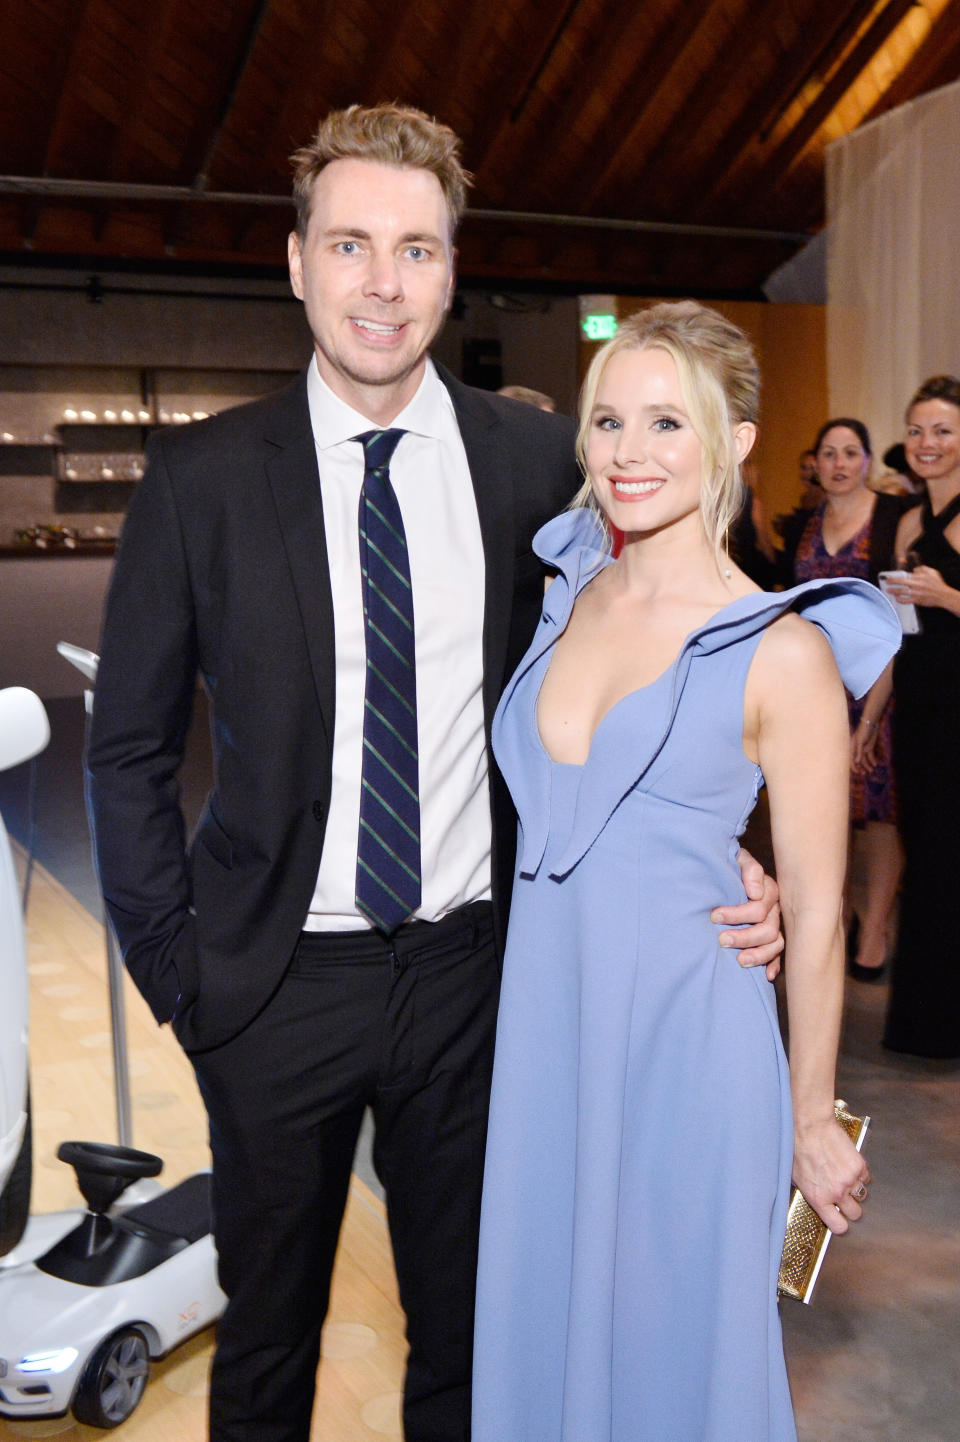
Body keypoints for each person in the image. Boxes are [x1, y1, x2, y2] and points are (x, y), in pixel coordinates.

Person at [85, 105, 783, 1442]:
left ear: (454, 269)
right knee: (269, 1347)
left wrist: (725, 852)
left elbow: (644, 669)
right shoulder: (201, 478)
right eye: (350, 244)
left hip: (479, 981)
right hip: (272, 982)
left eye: (416, 249)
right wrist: (183, 973)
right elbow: (126, 746)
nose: (383, 283)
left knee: (470, 1338)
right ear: (297, 263)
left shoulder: (538, 467)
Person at [472, 302, 899, 1441]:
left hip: (687, 1053)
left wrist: (814, 1115)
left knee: (674, 1365)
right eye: (609, 419)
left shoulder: (784, 646)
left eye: (668, 421)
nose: (629, 451)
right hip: (545, 1038)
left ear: (737, 439)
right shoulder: (568, 588)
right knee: (544, 1330)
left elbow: (812, 914)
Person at [793, 418, 916, 979]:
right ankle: (834, 921)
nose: (839, 463)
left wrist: (871, 716)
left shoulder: (891, 520)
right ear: (815, 463)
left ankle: (873, 932)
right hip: (817, 690)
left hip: (881, 690)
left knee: (881, 814)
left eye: (850, 453)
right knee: (827, 811)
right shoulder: (805, 521)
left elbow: (901, 621)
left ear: (867, 460)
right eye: (828, 453)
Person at [881, 375, 960, 1058]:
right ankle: (926, 1021)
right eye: (916, 430)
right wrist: (868, 719)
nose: (926, 443)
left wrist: (949, 596)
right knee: (927, 857)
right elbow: (898, 632)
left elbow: (937, 606)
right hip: (920, 710)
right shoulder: (906, 521)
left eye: (941, 431)